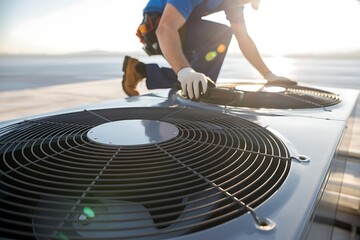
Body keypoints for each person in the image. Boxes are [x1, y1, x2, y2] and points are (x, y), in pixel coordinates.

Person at [122, 0, 297, 100]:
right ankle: (145, 72)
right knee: (219, 38)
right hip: (157, 28)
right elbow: (165, 28)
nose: (243, 3)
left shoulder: (234, 3)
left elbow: (243, 38)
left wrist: (269, 75)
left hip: (181, 28)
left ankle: (140, 70)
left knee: (201, 81)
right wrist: (184, 71)